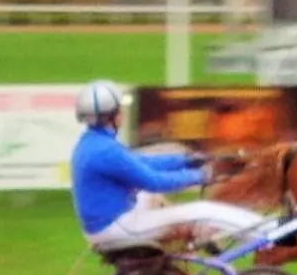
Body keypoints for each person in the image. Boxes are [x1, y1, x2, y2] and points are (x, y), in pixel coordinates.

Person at [68, 79, 268, 253]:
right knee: (203, 210)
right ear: (110, 116)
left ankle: (198, 235)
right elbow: (154, 181)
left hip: (107, 225)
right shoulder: (106, 151)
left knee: (151, 198)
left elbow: (143, 162)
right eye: (120, 108)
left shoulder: (93, 143)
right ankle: (265, 234)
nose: (123, 112)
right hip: (117, 228)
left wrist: (188, 160)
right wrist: (203, 175)